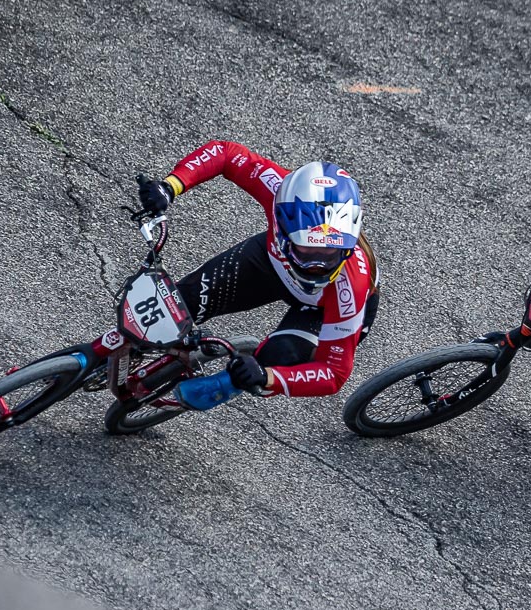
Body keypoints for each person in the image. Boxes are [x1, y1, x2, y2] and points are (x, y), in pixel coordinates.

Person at [135, 140, 379, 409]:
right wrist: (171, 186)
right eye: (307, 250)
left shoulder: (351, 287)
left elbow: (333, 373)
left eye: (329, 255)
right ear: (285, 226)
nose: (317, 267)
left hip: (323, 308)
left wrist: (268, 377)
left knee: (278, 357)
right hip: (273, 265)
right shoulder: (280, 191)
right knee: (177, 303)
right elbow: (226, 154)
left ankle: (227, 385)